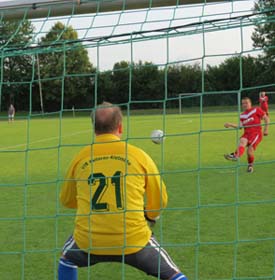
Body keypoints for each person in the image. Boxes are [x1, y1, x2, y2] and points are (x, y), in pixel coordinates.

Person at [58, 102, 187, 280]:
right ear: (120, 126)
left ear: (94, 128)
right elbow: (159, 200)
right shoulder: (138, 155)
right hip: (134, 241)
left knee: (67, 259)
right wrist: (149, 215)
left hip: (89, 241)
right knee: (174, 275)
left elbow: (66, 200)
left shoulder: (81, 157)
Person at [224, 97, 269, 173]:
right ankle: (236, 156)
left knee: (249, 152)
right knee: (242, 141)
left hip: (256, 134)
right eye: (243, 103)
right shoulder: (242, 115)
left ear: (250, 103)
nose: (244, 105)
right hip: (246, 133)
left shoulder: (256, 109)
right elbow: (240, 126)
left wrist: (266, 129)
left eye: (246, 103)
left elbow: (266, 118)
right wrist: (230, 124)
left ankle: (250, 166)